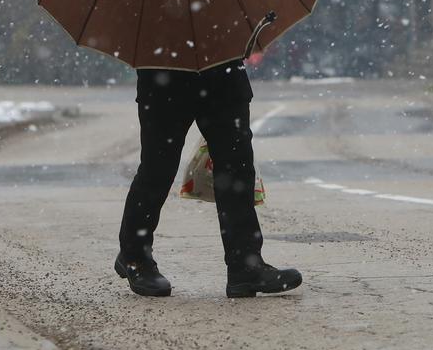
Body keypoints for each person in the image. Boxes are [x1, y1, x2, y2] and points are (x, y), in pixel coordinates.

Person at [115, 55, 302, 298]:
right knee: (158, 169)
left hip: (223, 72)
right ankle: (134, 256)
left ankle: (245, 265)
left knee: (237, 168)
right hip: (165, 75)